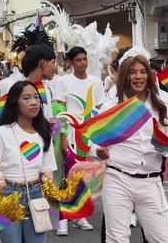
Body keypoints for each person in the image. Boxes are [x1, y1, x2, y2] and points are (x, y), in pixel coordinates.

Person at [96, 55, 168, 243]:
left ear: (149, 75)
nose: (138, 77)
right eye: (132, 72)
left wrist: (165, 147)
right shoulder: (111, 105)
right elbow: (95, 143)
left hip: (151, 179)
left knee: (162, 238)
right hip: (117, 178)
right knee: (117, 239)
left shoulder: (163, 101)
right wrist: (98, 151)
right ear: (124, 75)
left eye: (142, 72)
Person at [0, 80, 56, 243]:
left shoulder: (43, 133)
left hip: (36, 194)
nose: (33, 102)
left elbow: (47, 169)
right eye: (26, 98)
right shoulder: (1, 133)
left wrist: (47, 181)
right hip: (9, 195)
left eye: (36, 98)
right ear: (14, 102)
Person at [55, 46, 104, 236]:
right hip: (70, 136)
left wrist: (97, 138)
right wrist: (63, 136)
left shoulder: (96, 82)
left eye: (85, 59)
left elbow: (98, 111)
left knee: (85, 176)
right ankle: (63, 219)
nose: (83, 63)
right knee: (66, 176)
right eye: (78, 60)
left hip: (88, 137)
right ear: (70, 62)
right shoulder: (63, 82)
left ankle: (80, 214)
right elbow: (59, 111)